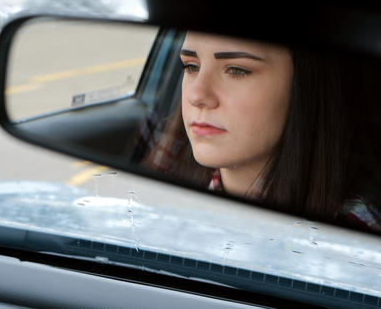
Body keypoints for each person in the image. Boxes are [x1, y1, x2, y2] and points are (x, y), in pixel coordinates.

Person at [143, 31, 381, 233]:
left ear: (303, 88)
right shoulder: (166, 178)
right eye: (191, 66)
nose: (197, 95)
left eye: (236, 70)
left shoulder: (353, 234)